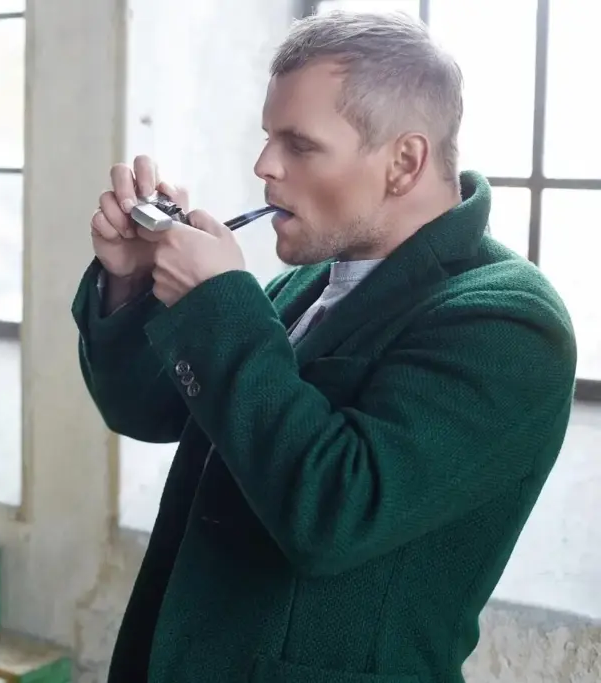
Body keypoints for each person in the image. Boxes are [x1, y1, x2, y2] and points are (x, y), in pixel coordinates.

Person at [72, 10, 577, 683]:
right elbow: (143, 410)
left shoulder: (508, 323)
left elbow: (335, 514)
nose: (263, 165)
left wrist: (217, 304)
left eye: (300, 145)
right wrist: (132, 282)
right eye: (267, 136)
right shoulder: (302, 286)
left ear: (404, 162)